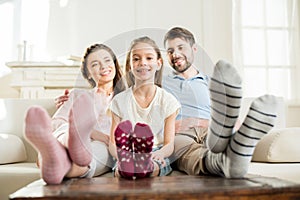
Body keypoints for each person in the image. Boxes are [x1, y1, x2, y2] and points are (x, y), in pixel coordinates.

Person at [163, 27, 278, 178]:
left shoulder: (211, 83)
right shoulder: (161, 83)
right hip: (180, 134)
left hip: (212, 128)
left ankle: (229, 144)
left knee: (222, 132)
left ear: (194, 49)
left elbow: (233, 121)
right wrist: (168, 128)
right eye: (170, 51)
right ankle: (225, 160)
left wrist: (205, 123)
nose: (175, 54)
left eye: (180, 48)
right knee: (186, 152)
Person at [24, 43, 126, 184]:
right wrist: (90, 133)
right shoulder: (78, 95)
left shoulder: (127, 99)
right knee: (62, 133)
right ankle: (74, 138)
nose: (103, 66)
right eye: (95, 64)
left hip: (104, 146)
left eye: (107, 60)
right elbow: (56, 123)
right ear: (88, 73)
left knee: (93, 152)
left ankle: (56, 164)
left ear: (115, 64)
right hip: (66, 141)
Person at [108, 36, 181, 179]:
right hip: (126, 152)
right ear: (129, 66)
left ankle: (144, 165)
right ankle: (127, 165)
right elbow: (112, 144)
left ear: (159, 63)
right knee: (119, 169)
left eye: (148, 58)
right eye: (136, 59)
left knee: (155, 165)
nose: (142, 63)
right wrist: (122, 155)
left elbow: (169, 145)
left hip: (155, 151)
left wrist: (159, 154)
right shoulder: (119, 101)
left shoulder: (168, 101)